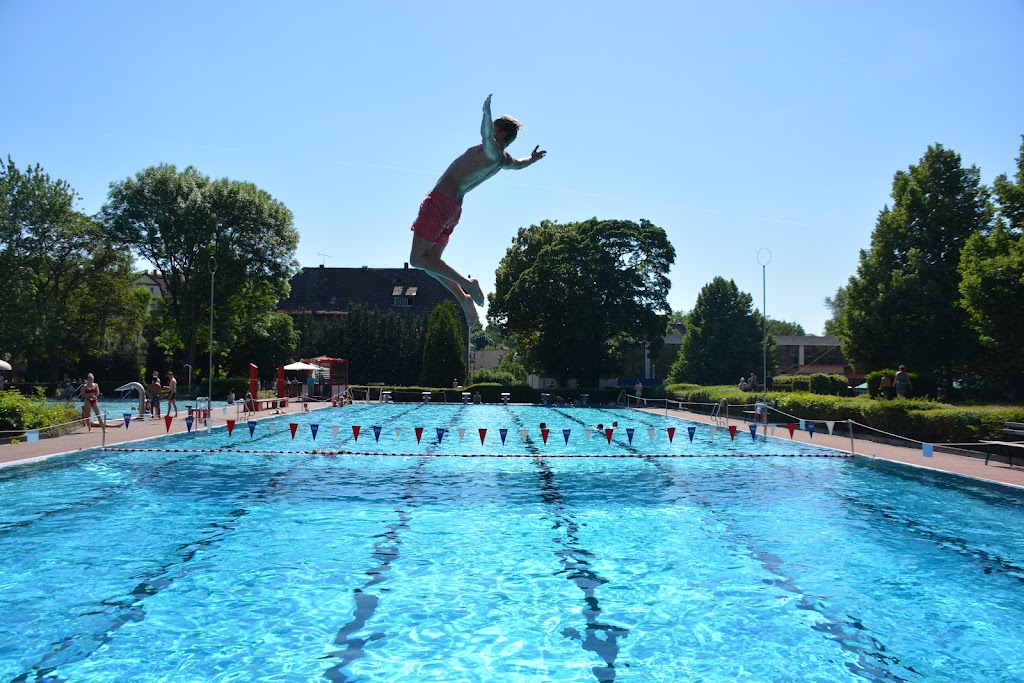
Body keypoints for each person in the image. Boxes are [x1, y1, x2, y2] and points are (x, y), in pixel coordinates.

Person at [409, 94, 546, 326]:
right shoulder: (504, 160)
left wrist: (485, 112)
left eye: (494, 128)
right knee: (432, 262)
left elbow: (485, 134)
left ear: (500, 134)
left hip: (441, 203)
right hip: (452, 209)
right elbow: (519, 165)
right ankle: (464, 299)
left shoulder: (491, 150)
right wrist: (531, 160)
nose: (490, 130)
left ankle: (468, 285)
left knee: (417, 259)